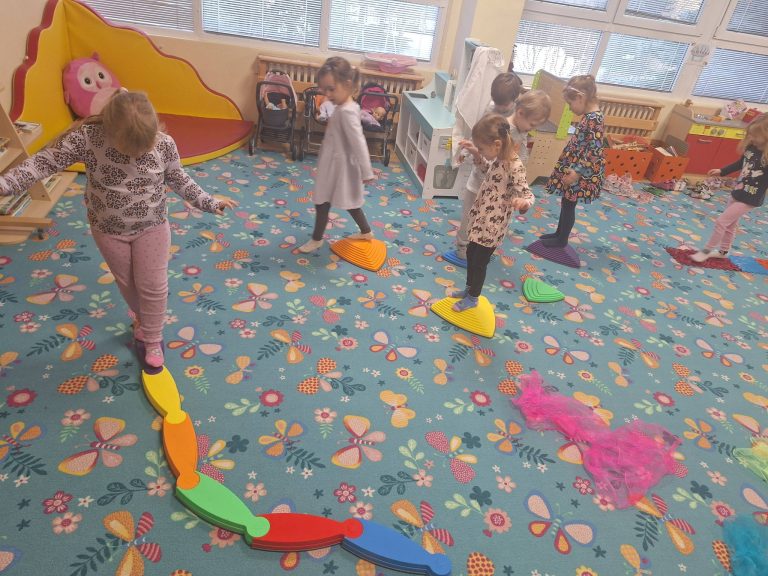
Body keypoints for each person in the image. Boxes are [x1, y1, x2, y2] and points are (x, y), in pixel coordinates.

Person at [0, 90, 237, 368]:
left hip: (152, 226)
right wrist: (5, 184)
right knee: (129, 285)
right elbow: (42, 163)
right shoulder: (88, 138)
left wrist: (208, 201)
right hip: (108, 229)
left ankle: (152, 337)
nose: (137, 154)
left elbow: (179, 178)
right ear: (109, 131)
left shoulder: (164, 144)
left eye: (143, 148)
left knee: (154, 286)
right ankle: (144, 320)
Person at [452, 114, 535, 312]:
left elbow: (528, 194)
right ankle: (469, 289)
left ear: (497, 144)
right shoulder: (499, 158)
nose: (481, 151)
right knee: (471, 254)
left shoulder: (515, 166)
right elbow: (486, 170)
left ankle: (473, 298)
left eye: (482, 148)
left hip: (492, 226)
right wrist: (477, 154)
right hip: (480, 218)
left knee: (479, 263)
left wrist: (523, 202)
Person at [299, 57, 375, 253]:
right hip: (333, 164)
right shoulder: (345, 106)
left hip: (340, 167)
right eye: (324, 89)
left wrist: (367, 171)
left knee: (324, 201)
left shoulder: (347, 111)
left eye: (331, 89)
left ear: (347, 84)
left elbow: (359, 142)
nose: (327, 94)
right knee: (342, 201)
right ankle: (366, 231)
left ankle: (317, 239)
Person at [454, 72, 523, 261]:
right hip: (479, 176)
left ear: (514, 100)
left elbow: (516, 154)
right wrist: (468, 152)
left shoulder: (516, 120)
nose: (499, 108)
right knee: (469, 214)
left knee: (489, 218)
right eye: (496, 103)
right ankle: (462, 247)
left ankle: (481, 247)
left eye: (504, 105)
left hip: (498, 185)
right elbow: (478, 136)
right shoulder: (489, 110)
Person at [691, 113, 767, 262]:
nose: (752, 138)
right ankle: (723, 252)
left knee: (722, 222)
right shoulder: (751, 147)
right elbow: (740, 163)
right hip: (737, 191)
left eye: (756, 136)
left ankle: (706, 250)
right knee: (730, 224)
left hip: (750, 198)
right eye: (751, 134)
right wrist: (722, 171)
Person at [540, 75, 605, 248]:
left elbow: (595, 151)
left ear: (580, 97)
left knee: (569, 204)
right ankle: (559, 233)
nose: (570, 108)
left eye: (570, 104)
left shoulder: (594, 119)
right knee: (566, 201)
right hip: (577, 167)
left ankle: (562, 240)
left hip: (582, 172)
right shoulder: (589, 116)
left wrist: (577, 172)